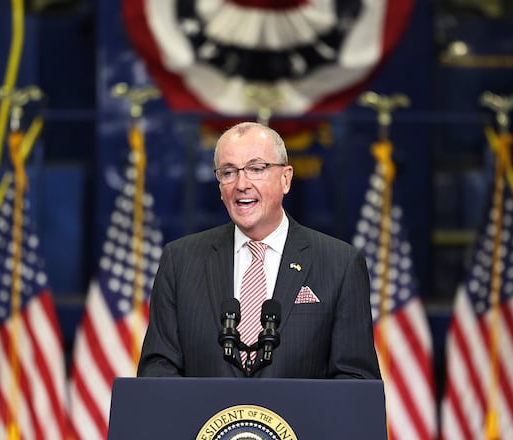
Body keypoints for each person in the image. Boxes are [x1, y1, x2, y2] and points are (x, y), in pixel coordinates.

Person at [137, 121, 380, 379]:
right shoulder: (180, 261)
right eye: (228, 172)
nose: (241, 184)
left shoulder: (339, 264)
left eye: (256, 168)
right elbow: (158, 371)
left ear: (285, 179)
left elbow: (355, 381)